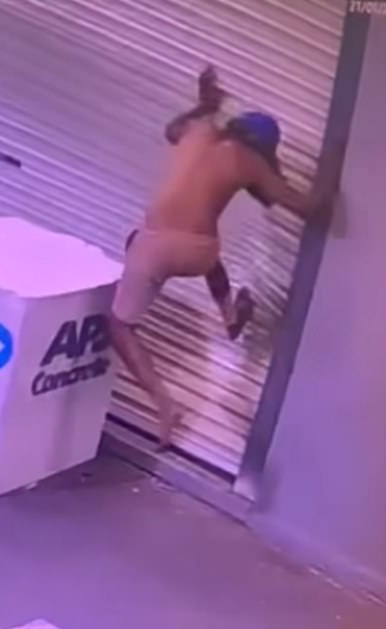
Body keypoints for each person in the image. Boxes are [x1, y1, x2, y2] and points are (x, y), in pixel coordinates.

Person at [111, 65, 341, 451]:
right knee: (205, 254)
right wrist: (334, 166)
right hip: (201, 252)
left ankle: (165, 406)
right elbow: (306, 206)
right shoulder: (249, 162)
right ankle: (230, 315)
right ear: (264, 149)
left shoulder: (197, 130)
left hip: (154, 248)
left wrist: (204, 106)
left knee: (118, 325)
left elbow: (171, 130)